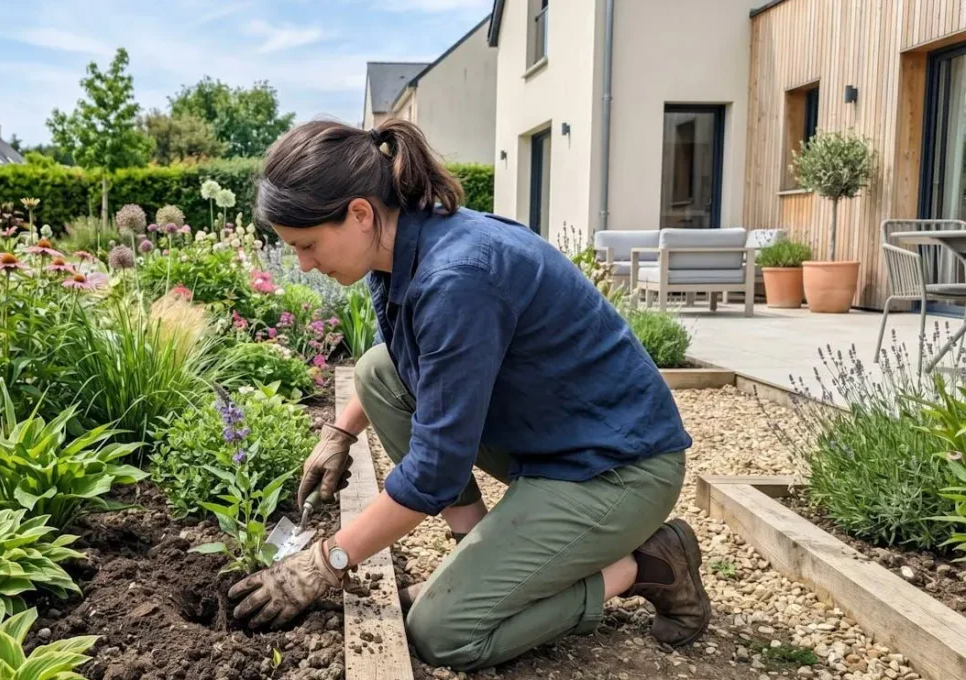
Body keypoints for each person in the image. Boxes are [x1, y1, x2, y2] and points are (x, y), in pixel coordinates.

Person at [226, 118, 710, 673]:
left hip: (616, 469)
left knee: (442, 633)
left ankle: (644, 566)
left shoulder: (458, 276)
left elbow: (434, 469)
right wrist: (341, 431)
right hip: (552, 436)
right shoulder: (403, 245)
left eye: (306, 245)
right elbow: (410, 368)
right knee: (377, 371)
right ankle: (478, 549)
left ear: (359, 213)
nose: (304, 264)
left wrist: (324, 562)